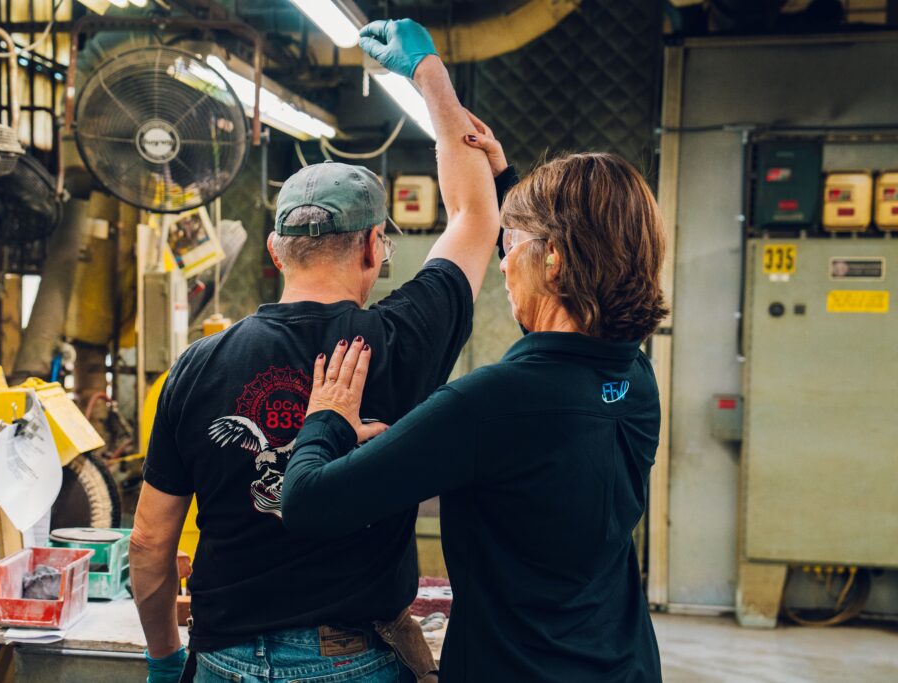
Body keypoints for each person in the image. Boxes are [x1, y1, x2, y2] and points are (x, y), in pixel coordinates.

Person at [130, 18, 506, 683]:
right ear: (372, 248)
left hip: (221, 657)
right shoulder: (400, 339)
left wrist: (164, 658)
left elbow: (152, 540)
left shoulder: (196, 365)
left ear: (275, 252)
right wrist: (429, 75)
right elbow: (475, 214)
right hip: (352, 659)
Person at [282, 152, 669, 682]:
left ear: (553, 258)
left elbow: (307, 502)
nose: (504, 263)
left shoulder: (489, 405)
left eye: (512, 246)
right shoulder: (635, 381)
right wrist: (507, 187)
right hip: (625, 665)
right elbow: (534, 455)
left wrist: (325, 419)